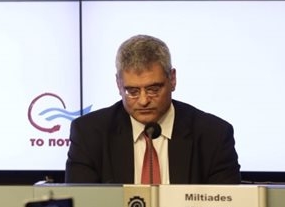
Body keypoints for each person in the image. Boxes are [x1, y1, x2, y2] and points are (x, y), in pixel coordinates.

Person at [65, 34, 240, 184]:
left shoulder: (213, 135)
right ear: (118, 84)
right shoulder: (89, 133)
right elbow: (81, 205)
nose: (143, 101)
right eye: (132, 91)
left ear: (172, 79)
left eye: (153, 89)